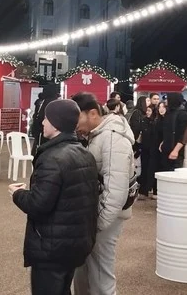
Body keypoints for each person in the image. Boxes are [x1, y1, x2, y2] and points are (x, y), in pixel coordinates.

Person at [9, 99, 100, 295]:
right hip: (74, 243)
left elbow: (38, 204)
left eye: (46, 119)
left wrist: (17, 194)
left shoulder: (52, 158)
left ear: (56, 123)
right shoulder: (84, 154)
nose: (42, 122)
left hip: (52, 247)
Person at [71, 93, 136, 295]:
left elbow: (115, 190)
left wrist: (97, 224)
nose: (74, 126)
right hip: (97, 213)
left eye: (77, 119)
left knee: (100, 274)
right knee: (87, 269)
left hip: (106, 217)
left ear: (92, 113)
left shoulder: (112, 138)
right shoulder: (96, 135)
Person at [160, 92, 187, 169]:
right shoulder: (169, 113)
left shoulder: (183, 114)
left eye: (167, 98)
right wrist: (163, 142)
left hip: (176, 151)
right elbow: (167, 130)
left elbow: (184, 135)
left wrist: (176, 150)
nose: (165, 100)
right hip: (166, 149)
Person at [31, 84, 60, 152]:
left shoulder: (41, 101)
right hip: (49, 132)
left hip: (40, 131)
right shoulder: (54, 102)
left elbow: (37, 116)